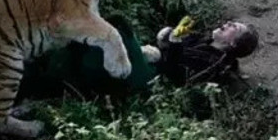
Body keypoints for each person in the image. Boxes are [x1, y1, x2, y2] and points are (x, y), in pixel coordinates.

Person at [18, 16, 259, 102]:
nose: (227, 24)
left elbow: (177, 75)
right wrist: (168, 36)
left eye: (233, 28)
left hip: (152, 80)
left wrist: (173, 44)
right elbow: (167, 46)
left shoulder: (215, 64)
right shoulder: (203, 40)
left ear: (233, 44)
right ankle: (48, 62)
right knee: (103, 39)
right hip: (149, 60)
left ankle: (46, 72)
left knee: (118, 25)